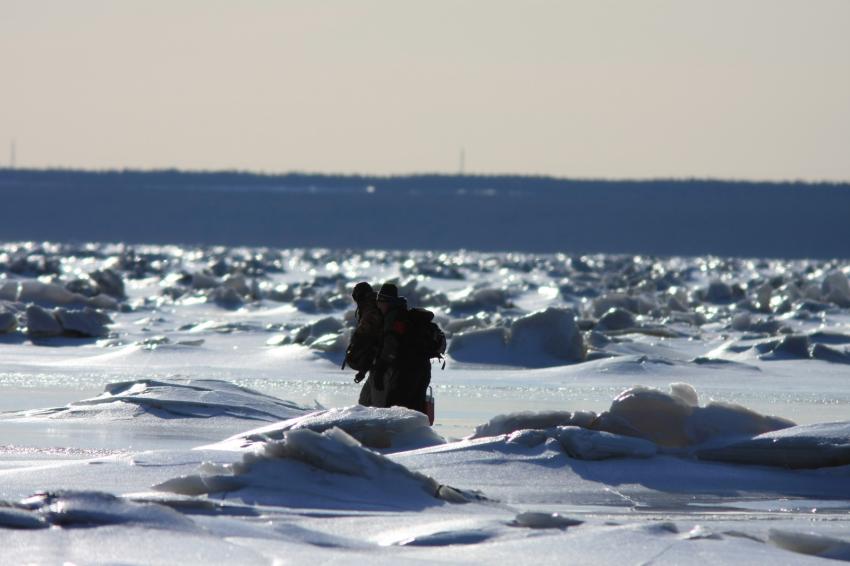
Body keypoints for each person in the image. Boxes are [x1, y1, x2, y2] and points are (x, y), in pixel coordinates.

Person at [371, 282, 432, 414]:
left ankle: (399, 435)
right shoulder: (405, 315)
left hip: (408, 370)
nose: (378, 306)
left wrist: (381, 369)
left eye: (379, 302)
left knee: (395, 409)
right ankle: (420, 434)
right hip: (423, 368)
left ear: (385, 301)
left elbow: (390, 345)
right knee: (416, 410)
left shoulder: (394, 317)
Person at [344, 282, 384, 407]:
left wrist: (362, 368)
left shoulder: (370, 311)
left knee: (366, 403)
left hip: (383, 363)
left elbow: (368, 342)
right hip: (382, 361)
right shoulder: (378, 305)